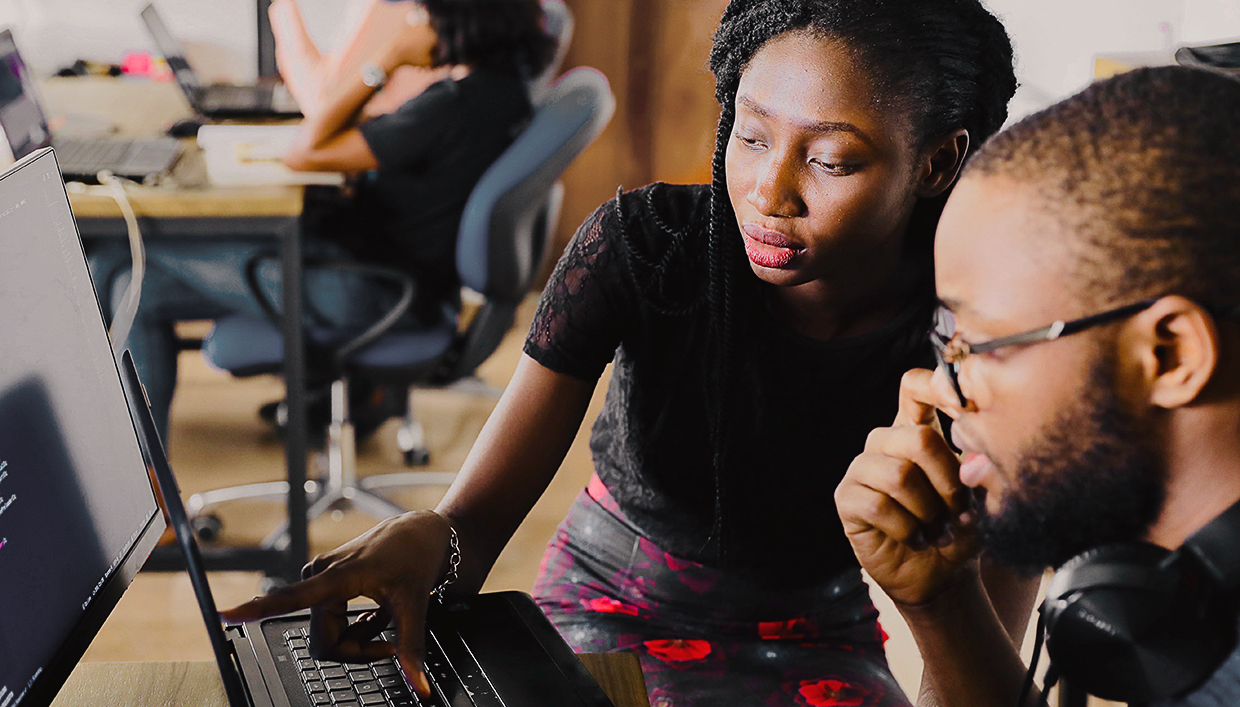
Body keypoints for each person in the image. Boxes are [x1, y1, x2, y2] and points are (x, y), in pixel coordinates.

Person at [223, 1, 1017, 704]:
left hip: (817, 633)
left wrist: (938, 599)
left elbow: (983, 678)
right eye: (750, 136)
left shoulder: (984, 345)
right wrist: (435, 538)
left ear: (937, 162)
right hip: (609, 598)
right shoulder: (645, 250)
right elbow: (472, 527)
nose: (769, 194)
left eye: (830, 159)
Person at [834, 65, 1240, 706]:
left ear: (1170, 355)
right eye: (946, 339)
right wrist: (943, 605)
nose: (943, 390)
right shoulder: (1175, 599)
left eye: (980, 346)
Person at [91, 0, 556, 440]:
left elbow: (306, 151)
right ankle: (149, 478)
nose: (413, 22)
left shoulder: (450, 106)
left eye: (423, 12)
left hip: (364, 289)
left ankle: (117, 461)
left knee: (115, 254)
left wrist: (385, 62)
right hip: (385, 278)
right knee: (136, 287)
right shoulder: (502, 94)